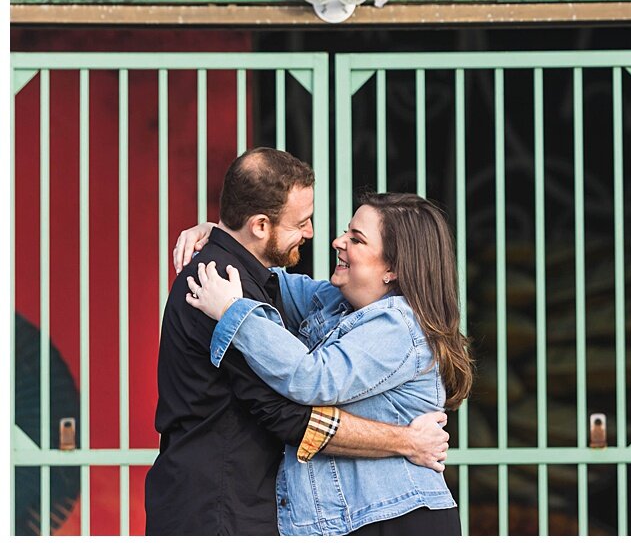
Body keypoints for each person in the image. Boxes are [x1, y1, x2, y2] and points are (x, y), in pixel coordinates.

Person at [144, 149, 450, 535]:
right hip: (217, 508)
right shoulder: (222, 286)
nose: (320, 236)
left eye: (355, 239)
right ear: (258, 225)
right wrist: (407, 441)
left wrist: (223, 247)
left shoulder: (396, 324)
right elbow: (289, 413)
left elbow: (308, 380)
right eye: (303, 222)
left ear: (393, 268)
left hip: (397, 515)